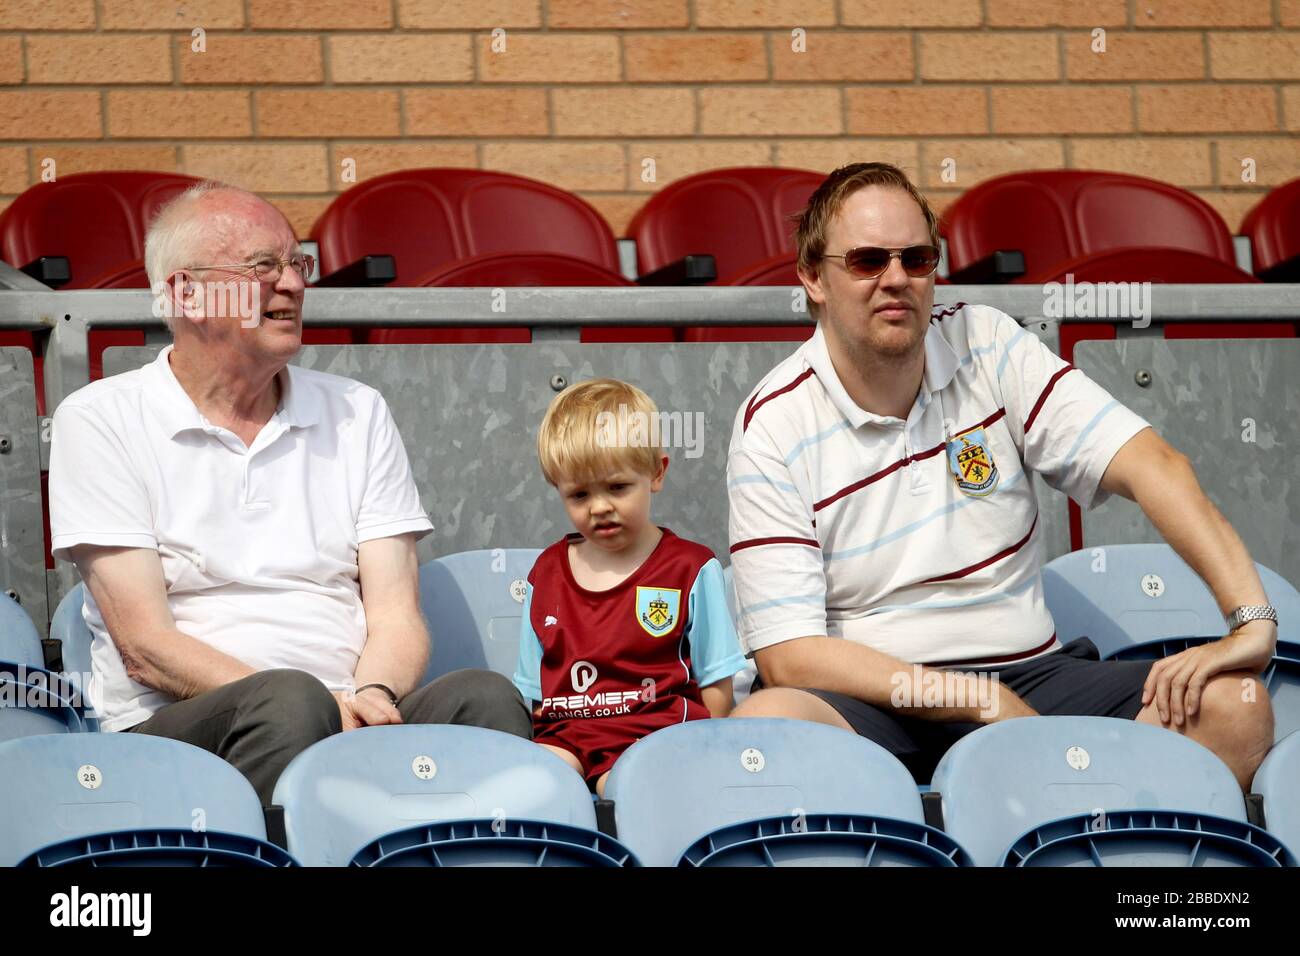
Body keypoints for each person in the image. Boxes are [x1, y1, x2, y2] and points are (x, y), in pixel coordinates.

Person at [726, 162, 1276, 788]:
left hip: (1028, 674)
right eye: (867, 260)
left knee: (1237, 707)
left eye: (917, 257)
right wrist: (975, 701)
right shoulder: (772, 421)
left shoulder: (987, 343)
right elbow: (789, 655)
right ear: (811, 277)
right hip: (874, 695)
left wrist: (1252, 622)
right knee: (770, 721)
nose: (896, 279)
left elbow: (1154, 465)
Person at [48, 181, 530, 805]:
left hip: (348, 703)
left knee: (484, 696)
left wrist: (373, 695)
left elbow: (396, 616)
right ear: (186, 293)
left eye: (298, 263)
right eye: (263, 267)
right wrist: (318, 703)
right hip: (179, 728)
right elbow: (147, 649)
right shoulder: (101, 418)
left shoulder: (358, 411)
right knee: (290, 700)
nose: (295, 285)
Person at [513, 379, 745, 795]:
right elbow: (535, 695)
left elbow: (717, 689)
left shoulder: (690, 568)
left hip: (656, 738)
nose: (600, 507)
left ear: (656, 473)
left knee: (627, 790)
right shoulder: (544, 573)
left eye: (617, 487)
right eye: (579, 494)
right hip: (567, 741)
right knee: (531, 785)